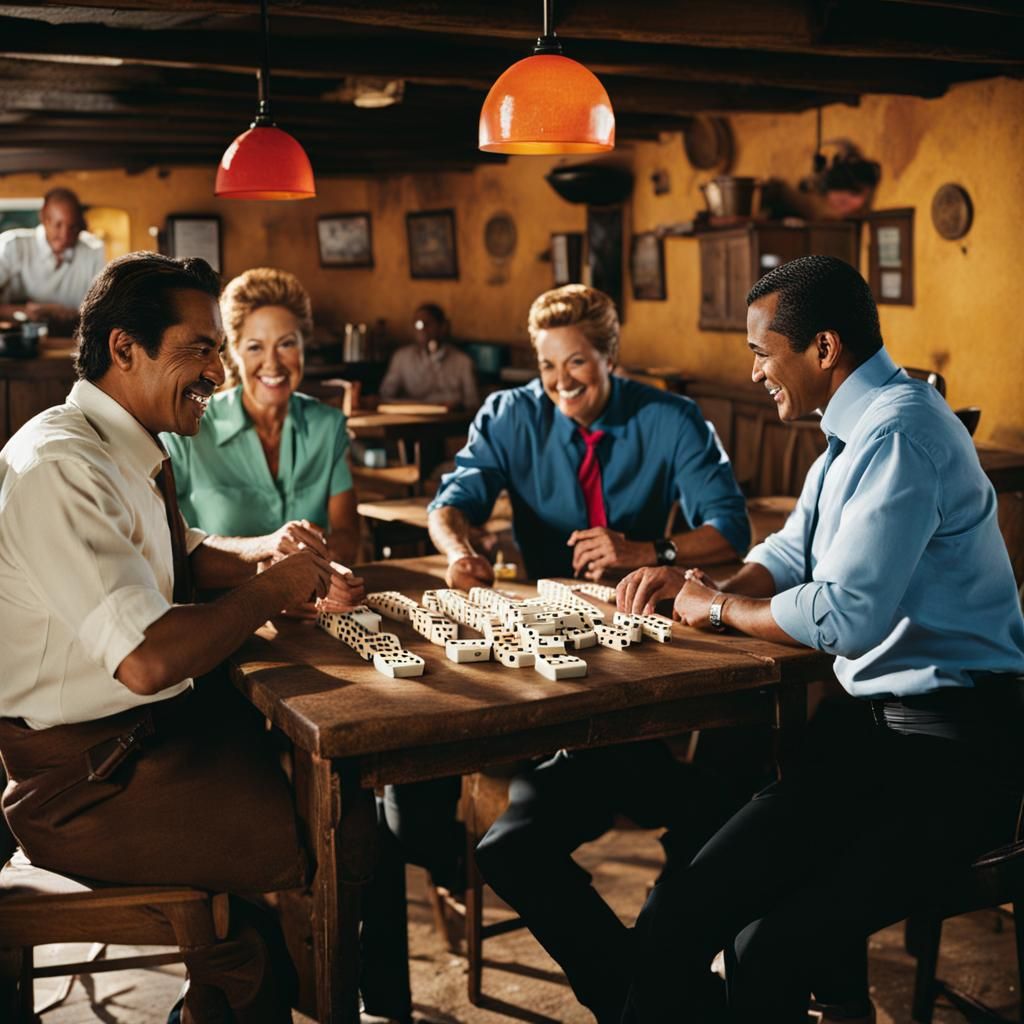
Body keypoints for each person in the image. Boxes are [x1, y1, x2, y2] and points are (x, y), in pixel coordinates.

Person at [617, 255, 1024, 1022]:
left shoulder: (900, 432)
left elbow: (844, 616)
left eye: (761, 352)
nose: (755, 373)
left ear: (824, 348)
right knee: (681, 911)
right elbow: (791, 548)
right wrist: (702, 591)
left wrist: (719, 609)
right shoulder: (854, 429)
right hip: (871, 739)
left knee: (763, 948)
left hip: (957, 753)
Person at [0, 252, 365, 1024]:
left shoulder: (120, 445)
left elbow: (181, 554)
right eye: (200, 349)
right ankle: (246, 974)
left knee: (339, 797)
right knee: (326, 832)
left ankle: (239, 978)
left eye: (216, 350)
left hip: (141, 742)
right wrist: (275, 586)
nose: (218, 372)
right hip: (83, 785)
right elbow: (147, 658)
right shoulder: (61, 465)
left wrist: (269, 554)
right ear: (124, 348)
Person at [426, 284, 752, 1023]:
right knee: (511, 848)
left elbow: (729, 529)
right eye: (547, 366)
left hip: (649, 667)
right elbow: (452, 502)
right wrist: (458, 550)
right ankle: (656, 999)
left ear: (610, 354)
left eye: (577, 362)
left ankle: (650, 995)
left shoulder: (671, 417)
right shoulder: (508, 415)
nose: (561, 381)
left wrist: (649, 549)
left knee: (716, 813)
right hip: (548, 680)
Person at [163, 267, 360, 575]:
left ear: (303, 347)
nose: (273, 363)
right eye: (255, 347)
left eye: (286, 344)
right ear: (233, 352)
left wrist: (315, 566)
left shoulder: (328, 426)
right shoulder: (186, 429)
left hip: (310, 599)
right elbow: (168, 545)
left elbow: (348, 535)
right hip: (216, 602)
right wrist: (269, 558)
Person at [0, 187, 106, 331]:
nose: (65, 235)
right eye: (58, 225)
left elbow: (102, 310)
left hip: (74, 336)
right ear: (43, 218)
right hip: (15, 335)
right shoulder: (12, 246)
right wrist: (24, 311)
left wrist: (62, 313)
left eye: (72, 227)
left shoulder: (94, 252)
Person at [378, 303, 479, 409]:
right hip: (412, 416)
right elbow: (385, 395)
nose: (422, 330)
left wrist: (457, 407)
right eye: (417, 324)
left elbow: (472, 403)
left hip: (450, 417)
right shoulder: (401, 358)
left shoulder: (463, 362)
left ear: (443, 327)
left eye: (427, 324)